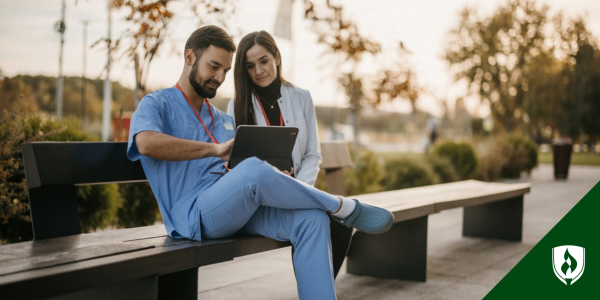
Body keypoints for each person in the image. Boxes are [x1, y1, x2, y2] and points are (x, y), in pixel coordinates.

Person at [127, 25, 394, 300]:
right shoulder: (155, 104)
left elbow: (235, 170)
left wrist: (275, 175)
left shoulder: (222, 119)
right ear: (189, 57)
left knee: (311, 219)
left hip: (236, 209)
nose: (219, 77)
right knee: (254, 169)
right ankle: (340, 206)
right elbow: (146, 143)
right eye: (214, 66)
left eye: (226, 71)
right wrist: (217, 150)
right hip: (193, 217)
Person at [226, 30, 353, 278]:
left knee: (340, 223)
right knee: (314, 219)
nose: (258, 71)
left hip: (297, 191)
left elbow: (312, 155)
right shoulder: (237, 104)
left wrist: (298, 190)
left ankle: (318, 290)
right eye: (250, 66)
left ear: (277, 57)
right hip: (261, 200)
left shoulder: (302, 97)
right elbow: (236, 162)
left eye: (263, 61)